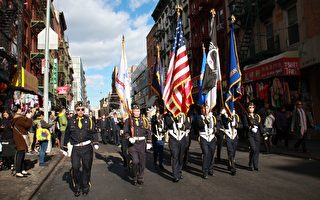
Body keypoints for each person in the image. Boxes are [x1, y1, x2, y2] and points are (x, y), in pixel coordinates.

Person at [63, 101, 99, 196]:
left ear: (84, 110)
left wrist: (95, 142)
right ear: (75, 110)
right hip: (76, 148)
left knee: (87, 167)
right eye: (78, 109)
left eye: (82, 109)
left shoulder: (89, 120)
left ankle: (85, 186)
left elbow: (94, 132)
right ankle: (77, 185)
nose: (80, 111)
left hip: (87, 147)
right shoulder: (71, 120)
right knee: (76, 167)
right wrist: (64, 147)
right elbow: (67, 134)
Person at [123, 104, 152, 185]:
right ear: (132, 111)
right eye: (135, 111)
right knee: (135, 161)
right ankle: (135, 176)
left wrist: (149, 142)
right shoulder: (128, 120)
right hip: (133, 144)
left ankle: (140, 177)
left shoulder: (144, 120)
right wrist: (129, 137)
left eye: (138, 111)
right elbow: (125, 132)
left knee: (142, 162)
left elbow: (148, 131)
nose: (137, 112)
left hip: (142, 144)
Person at [164, 111, 190, 182]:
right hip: (173, 138)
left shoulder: (184, 115)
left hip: (182, 138)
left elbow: (188, 125)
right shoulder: (168, 115)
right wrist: (174, 120)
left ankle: (179, 171)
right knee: (175, 156)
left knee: (180, 157)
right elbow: (167, 123)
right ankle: (175, 175)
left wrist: (182, 126)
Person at [11, 104, 33, 177]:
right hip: (20, 138)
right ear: (18, 110)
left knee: (22, 154)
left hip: (19, 138)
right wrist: (29, 118)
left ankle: (22, 170)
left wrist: (26, 117)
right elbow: (27, 125)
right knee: (20, 154)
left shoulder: (17, 118)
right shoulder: (19, 119)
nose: (22, 110)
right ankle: (18, 171)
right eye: (21, 109)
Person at [197, 105, 217, 179]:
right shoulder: (200, 117)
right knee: (206, 153)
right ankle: (205, 171)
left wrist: (214, 130)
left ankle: (210, 169)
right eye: (204, 108)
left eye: (207, 108)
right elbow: (200, 125)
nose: (206, 110)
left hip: (212, 137)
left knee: (212, 153)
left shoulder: (213, 117)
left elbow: (217, 126)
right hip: (204, 137)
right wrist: (206, 119)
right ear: (202, 110)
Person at [220, 108, 241, 176]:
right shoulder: (224, 116)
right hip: (228, 135)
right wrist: (229, 119)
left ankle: (230, 164)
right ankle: (233, 168)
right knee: (230, 151)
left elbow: (241, 125)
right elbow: (224, 123)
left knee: (233, 152)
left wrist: (236, 124)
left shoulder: (236, 116)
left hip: (234, 135)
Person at [244, 102, 263, 171]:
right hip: (250, 134)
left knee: (257, 150)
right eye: (250, 107)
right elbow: (245, 125)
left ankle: (255, 165)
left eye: (252, 107)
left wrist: (264, 134)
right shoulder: (246, 115)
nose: (251, 109)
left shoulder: (257, 116)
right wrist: (251, 128)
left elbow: (260, 125)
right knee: (253, 149)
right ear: (248, 108)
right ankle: (250, 164)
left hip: (257, 133)